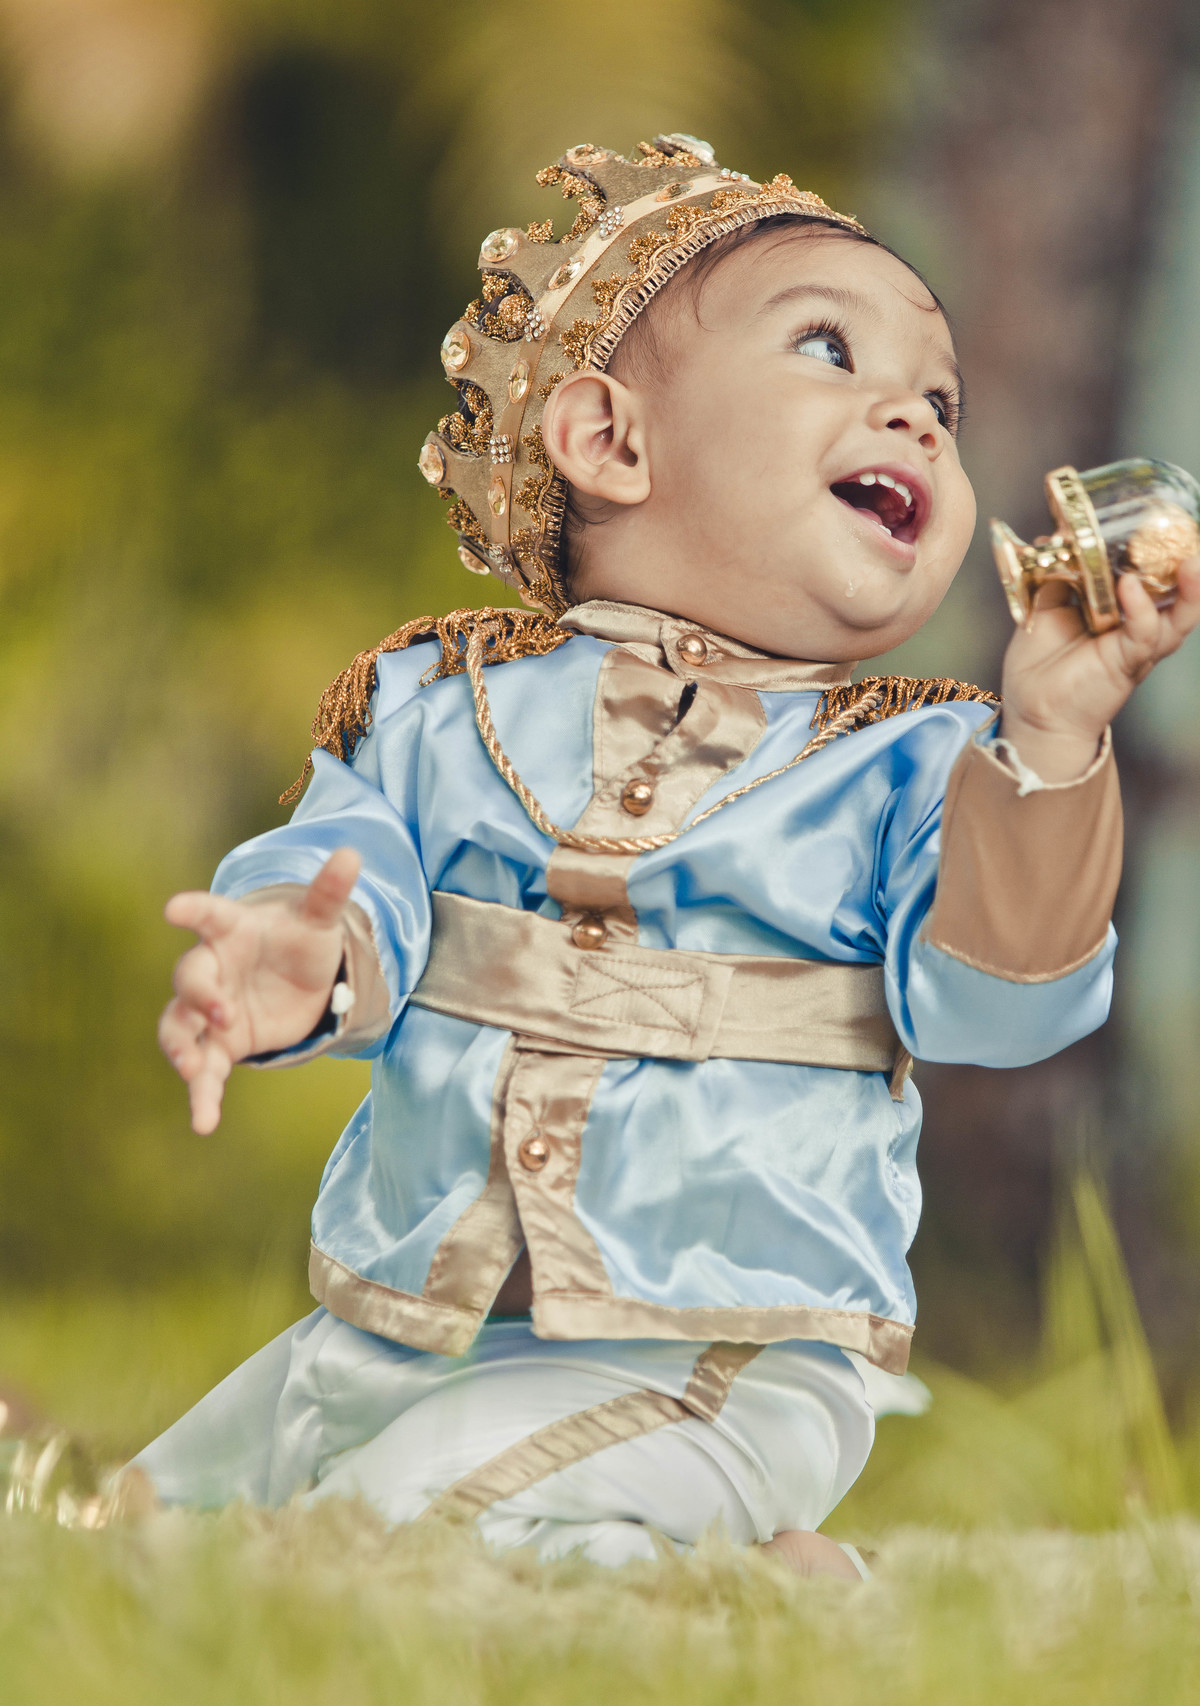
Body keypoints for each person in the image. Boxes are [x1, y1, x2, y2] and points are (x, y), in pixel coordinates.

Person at [138, 134, 1200, 1577]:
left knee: (397, 1540)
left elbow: (1000, 1010)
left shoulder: (912, 762)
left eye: (945, 403)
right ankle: (733, 1575)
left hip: (726, 1341)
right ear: (610, 441)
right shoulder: (434, 706)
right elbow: (345, 872)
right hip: (405, 1322)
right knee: (139, 1542)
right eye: (829, 346)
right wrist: (295, 955)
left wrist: (1058, 741)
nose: (918, 416)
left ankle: (759, 1603)